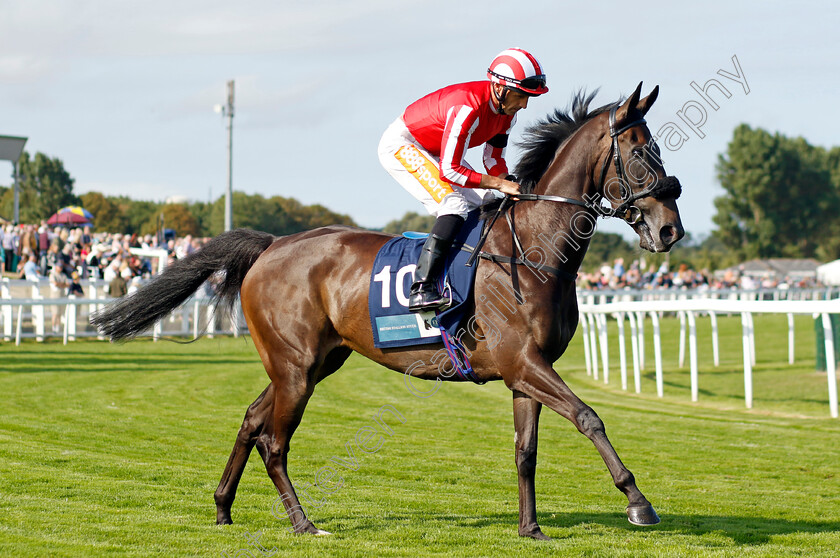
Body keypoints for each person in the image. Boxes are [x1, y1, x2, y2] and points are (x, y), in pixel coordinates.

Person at [379, 48, 548, 312]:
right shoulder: (467, 107)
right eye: (522, 96)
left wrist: (507, 182)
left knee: (491, 199)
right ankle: (421, 288)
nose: (524, 105)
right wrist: (500, 184)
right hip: (404, 145)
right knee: (454, 205)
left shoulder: (507, 113)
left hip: (435, 151)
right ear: (501, 89)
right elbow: (450, 171)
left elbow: (493, 160)